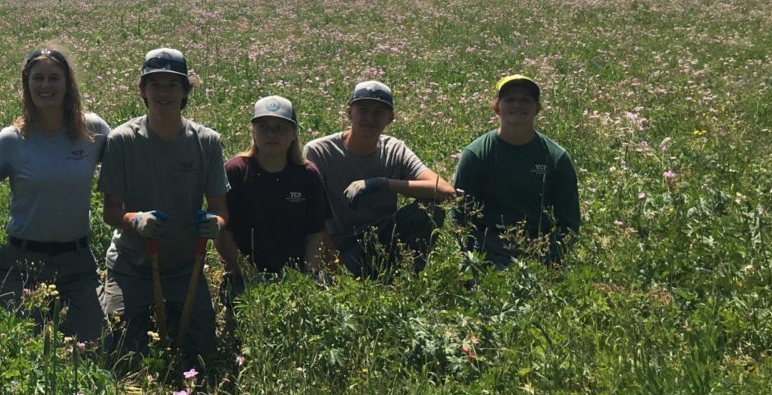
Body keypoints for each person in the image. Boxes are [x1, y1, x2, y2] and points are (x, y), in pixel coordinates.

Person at [99, 48, 228, 368]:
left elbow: (221, 211)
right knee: (120, 352)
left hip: (187, 268)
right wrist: (135, 220)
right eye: (155, 84)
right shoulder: (121, 140)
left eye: (173, 84)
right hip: (132, 265)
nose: (163, 92)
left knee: (201, 354)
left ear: (185, 92)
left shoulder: (207, 142)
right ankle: (103, 291)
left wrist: (216, 224)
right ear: (143, 90)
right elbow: (110, 212)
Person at [0, 48, 112, 341]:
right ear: (26, 84)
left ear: (68, 84)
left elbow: (130, 161)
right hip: (21, 262)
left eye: (54, 78)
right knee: (20, 351)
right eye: (38, 78)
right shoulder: (13, 139)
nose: (46, 85)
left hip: (77, 260)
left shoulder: (92, 130)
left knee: (93, 348)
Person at [304, 80, 454, 276]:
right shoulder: (320, 151)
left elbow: (445, 191)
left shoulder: (394, 149)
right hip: (339, 245)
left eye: (378, 112)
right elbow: (310, 214)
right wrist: (331, 263)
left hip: (382, 240)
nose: (370, 118)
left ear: (390, 118)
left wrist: (382, 183)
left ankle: (403, 277)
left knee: (431, 210)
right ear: (350, 112)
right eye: (363, 110)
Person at [452, 74, 580, 267]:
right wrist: (476, 255)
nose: (517, 105)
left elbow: (569, 222)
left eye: (525, 100)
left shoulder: (556, 157)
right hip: (488, 248)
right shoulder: (476, 154)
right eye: (509, 99)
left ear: (537, 108)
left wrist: (552, 257)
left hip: (540, 247)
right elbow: (461, 217)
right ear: (496, 107)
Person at [216, 95, 330, 297]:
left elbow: (315, 234)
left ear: (294, 133)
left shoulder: (308, 175)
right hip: (246, 275)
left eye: (280, 127)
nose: (271, 134)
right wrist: (251, 276)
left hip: (297, 275)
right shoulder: (235, 171)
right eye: (263, 126)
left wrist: (308, 278)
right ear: (253, 131)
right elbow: (223, 234)